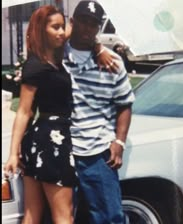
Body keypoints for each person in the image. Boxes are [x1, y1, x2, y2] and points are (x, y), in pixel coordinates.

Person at [3, 5, 119, 224]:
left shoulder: (51, 59)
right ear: (40, 30)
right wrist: (12, 153)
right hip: (53, 142)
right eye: (54, 27)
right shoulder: (36, 66)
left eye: (61, 26)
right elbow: (24, 111)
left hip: (39, 141)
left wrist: (99, 48)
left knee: (32, 214)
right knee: (63, 216)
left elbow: (80, 34)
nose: (60, 32)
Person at [63, 1, 135, 223]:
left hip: (98, 151)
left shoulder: (112, 62)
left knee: (109, 216)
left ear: (98, 28)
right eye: (83, 21)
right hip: (61, 150)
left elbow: (124, 103)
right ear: (72, 22)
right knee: (60, 217)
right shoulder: (55, 56)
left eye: (93, 24)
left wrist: (119, 142)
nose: (87, 28)